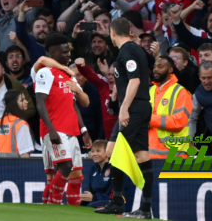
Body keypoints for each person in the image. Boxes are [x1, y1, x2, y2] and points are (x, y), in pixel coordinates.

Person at [96, 17, 153, 218]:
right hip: (141, 106)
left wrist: (124, 108)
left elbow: (135, 80)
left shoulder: (128, 51)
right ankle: (145, 209)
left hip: (134, 107)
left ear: (112, 33)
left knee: (113, 151)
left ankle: (117, 202)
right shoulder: (134, 49)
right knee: (141, 156)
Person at [34, 33, 91, 206]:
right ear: (53, 52)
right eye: (64, 52)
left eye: (69, 52)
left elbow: (81, 104)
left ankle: (73, 213)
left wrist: (84, 130)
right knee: (64, 166)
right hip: (55, 129)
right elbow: (40, 102)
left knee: (77, 176)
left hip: (72, 130)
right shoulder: (44, 72)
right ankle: (54, 207)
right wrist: (50, 129)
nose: (68, 55)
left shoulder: (69, 76)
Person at [148, 56, 193, 158]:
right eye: (155, 66)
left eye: (160, 66)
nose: (155, 69)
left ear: (170, 70)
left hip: (174, 155)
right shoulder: (150, 91)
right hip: (150, 153)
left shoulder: (181, 92)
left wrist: (149, 119)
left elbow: (178, 122)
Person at [0, 89, 34, 157]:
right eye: (22, 100)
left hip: (0, 165)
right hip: (17, 165)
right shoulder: (20, 124)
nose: (26, 102)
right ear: (14, 104)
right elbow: (24, 153)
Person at [80, 139, 113, 208]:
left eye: (98, 151)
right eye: (92, 151)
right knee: (81, 204)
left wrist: (94, 198)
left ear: (107, 152)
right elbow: (91, 191)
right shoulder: (93, 169)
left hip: (112, 202)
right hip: (97, 200)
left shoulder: (114, 169)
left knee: (90, 206)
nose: (94, 154)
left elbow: (113, 196)